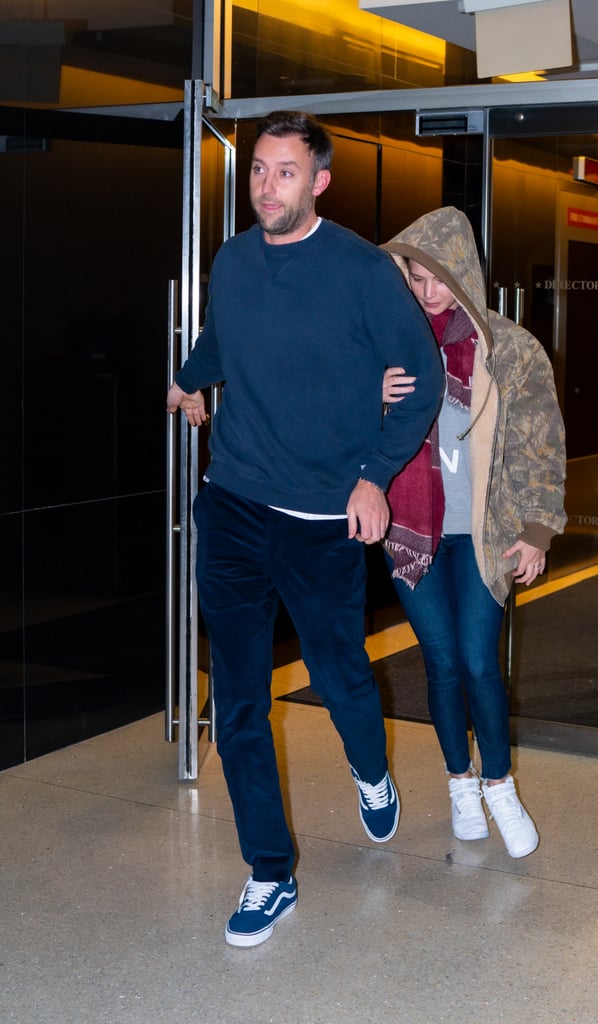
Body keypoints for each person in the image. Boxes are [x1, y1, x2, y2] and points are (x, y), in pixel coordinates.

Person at [166, 111, 444, 947]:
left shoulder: (360, 271)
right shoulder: (232, 259)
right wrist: (190, 379)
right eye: (258, 169)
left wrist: (373, 476)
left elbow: (421, 375)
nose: (266, 186)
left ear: (319, 181)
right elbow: (225, 337)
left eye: (285, 172)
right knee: (240, 698)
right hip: (235, 501)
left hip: (323, 514)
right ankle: (269, 874)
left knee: (340, 675)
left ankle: (370, 771)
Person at [380, 206, 567, 859]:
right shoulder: (391, 345)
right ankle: (459, 783)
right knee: (438, 662)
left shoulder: (509, 348)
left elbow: (541, 445)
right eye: (413, 276)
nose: (428, 291)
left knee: (477, 663)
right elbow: (354, 434)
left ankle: (498, 785)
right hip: (413, 529)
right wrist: (374, 395)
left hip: (485, 533)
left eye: (437, 276)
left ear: (463, 270)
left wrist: (537, 531)